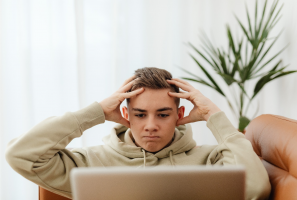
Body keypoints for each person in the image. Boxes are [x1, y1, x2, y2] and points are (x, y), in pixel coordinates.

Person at [5, 67, 271, 200]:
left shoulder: (211, 160)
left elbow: (256, 189)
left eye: (163, 114)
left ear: (179, 116)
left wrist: (214, 116)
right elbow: (20, 155)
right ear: (125, 114)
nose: (151, 125)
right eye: (141, 114)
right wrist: (95, 112)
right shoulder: (89, 164)